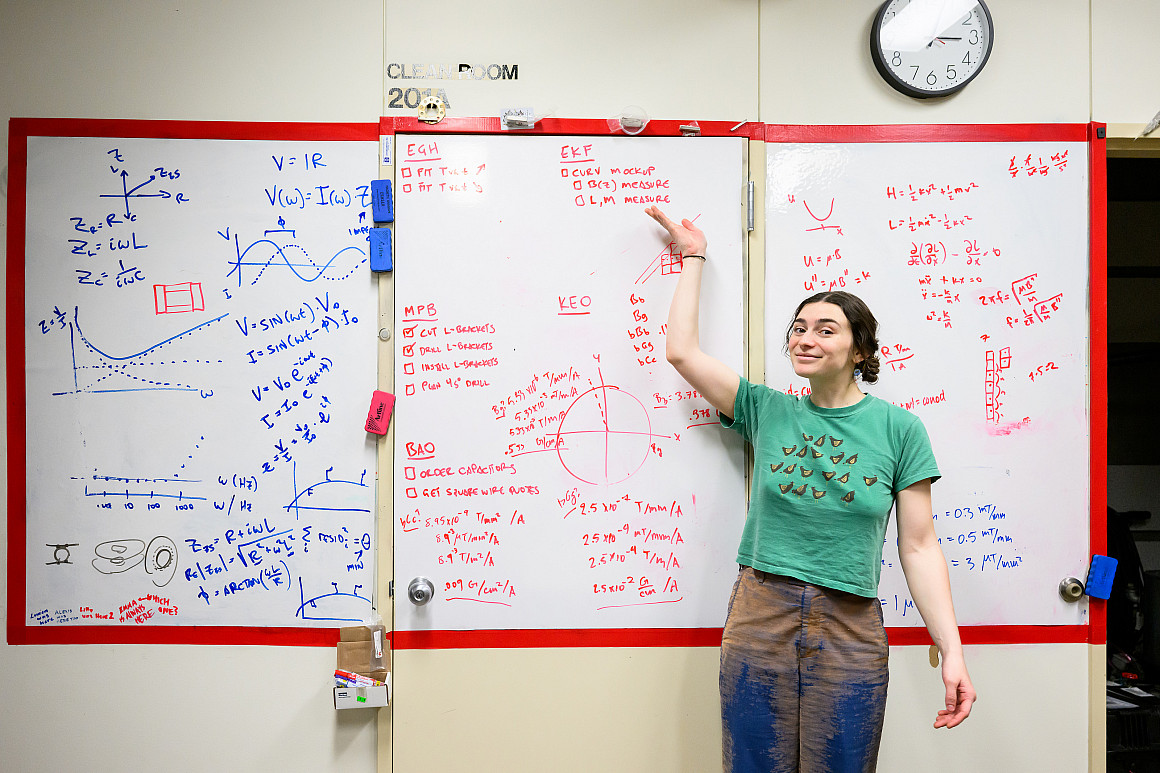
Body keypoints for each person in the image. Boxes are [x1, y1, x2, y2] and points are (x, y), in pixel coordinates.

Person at [645, 206, 975, 773]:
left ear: (861, 352)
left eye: (826, 330)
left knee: (844, 765)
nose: (805, 339)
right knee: (753, 764)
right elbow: (682, 352)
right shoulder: (767, 410)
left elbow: (919, 547)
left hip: (850, 621)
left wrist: (952, 649)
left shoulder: (900, 429)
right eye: (798, 328)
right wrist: (693, 256)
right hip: (760, 609)